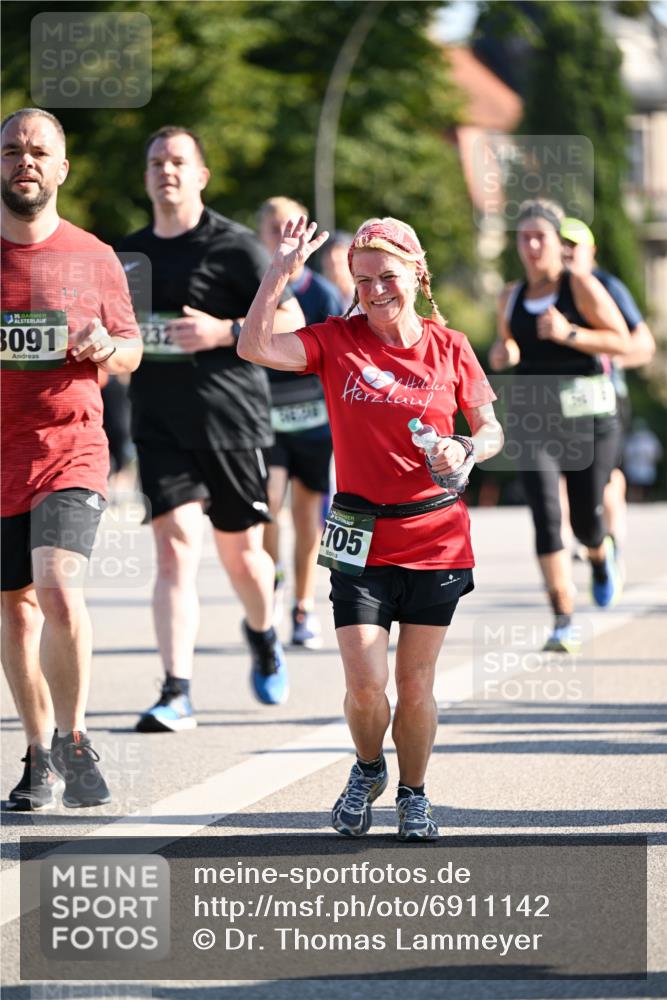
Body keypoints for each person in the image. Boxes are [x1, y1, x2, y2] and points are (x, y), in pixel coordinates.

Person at [238, 215, 502, 841]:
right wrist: (279, 272)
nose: (376, 290)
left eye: (388, 276)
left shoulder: (451, 346)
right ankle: (366, 767)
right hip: (357, 532)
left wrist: (466, 448)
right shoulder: (335, 340)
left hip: (435, 534)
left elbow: (491, 429)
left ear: (417, 272)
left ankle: (414, 793)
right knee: (364, 683)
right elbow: (253, 346)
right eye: (363, 280)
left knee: (414, 686)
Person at [119, 127, 305, 728]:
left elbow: (294, 317)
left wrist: (224, 331)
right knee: (175, 552)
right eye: (155, 162)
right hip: (158, 424)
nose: (165, 171)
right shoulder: (128, 255)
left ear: (201, 175)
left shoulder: (237, 247)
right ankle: (176, 690)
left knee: (244, 558)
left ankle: (262, 631)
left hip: (231, 422)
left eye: (178, 161)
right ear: (146, 177)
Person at [1, 108, 143, 809]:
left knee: (55, 587)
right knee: (16, 611)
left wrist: (104, 349)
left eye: (38, 151)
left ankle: (74, 736)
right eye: (10, 151)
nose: (23, 161)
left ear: (61, 168)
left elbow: (132, 349)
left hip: (70, 451)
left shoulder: (91, 255)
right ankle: (36, 756)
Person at [489, 199, 630, 654]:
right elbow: (504, 344)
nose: (531, 246)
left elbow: (620, 340)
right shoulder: (510, 295)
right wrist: (502, 354)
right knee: (548, 519)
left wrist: (570, 333)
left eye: (540, 237)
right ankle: (563, 618)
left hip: (590, 419)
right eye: (524, 237)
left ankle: (599, 554)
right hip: (534, 420)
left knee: (587, 519)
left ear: (555, 242)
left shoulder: (581, 286)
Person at [257, 197, 344, 647]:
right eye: (272, 228)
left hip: (313, 419)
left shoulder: (323, 293)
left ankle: (304, 606)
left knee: (307, 515)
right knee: (269, 503)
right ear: (260, 236)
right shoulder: (254, 286)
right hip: (266, 416)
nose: (280, 235)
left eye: (288, 226)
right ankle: (273, 581)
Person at [559, 217, 656, 554]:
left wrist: (600, 359)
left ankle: (612, 540)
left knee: (608, 475)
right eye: (561, 245)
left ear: (591, 250)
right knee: (564, 472)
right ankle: (576, 540)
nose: (565, 252)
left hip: (606, 396)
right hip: (561, 399)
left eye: (573, 245)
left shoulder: (607, 285)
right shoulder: (548, 288)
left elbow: (644, 346)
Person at [320, 230, 356, 310]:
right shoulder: (317, 297)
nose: (334, 257)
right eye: (331, 264)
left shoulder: (363, 298)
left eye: (340, 262)